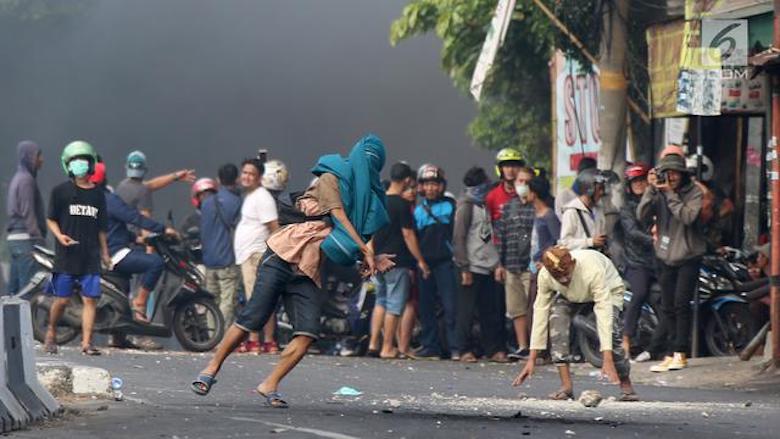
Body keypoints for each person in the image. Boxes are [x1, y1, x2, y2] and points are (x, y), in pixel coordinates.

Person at [191, 134, 394, 408]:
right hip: (283, 253)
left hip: (309, 268)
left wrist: (371, 256)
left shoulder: (366, 199)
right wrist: (365, 249)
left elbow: (350, 237)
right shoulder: (332, 177)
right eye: (366, 159)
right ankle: (211, 369)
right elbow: (337, 216)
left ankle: (270, 383)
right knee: (253, 318)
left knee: (308, 332)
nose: (368, 166)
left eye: (374, 163)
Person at [513, 246, 638, 402]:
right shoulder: (545, 275)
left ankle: (625, 384)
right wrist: (532, 358)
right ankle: (566, 387)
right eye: (559, 277)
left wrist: (607, 358)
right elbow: (540, 313)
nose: (564, 280)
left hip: (608, 289)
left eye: (566, 274)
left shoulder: (591, 270)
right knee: (556, 324)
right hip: (570, 295)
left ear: (573, 264)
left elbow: (604, 312)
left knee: (611, 331)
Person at [91, 162, 178, 348]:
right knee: (155, 263)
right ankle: (140, 303)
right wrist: (163, 229)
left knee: (122, 290)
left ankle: (118, 337)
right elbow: (133, 217)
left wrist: (137, 239)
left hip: (104, 252)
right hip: (116, 253)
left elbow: (112, 228)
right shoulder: (108, 199)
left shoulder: (92, 200)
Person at [638, 153, 705, 372]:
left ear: (683, 174)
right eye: (668, 173)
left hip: (688, 256)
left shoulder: (694, 192)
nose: (671, 177)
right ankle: (669, 353)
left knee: (681, 305)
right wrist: (650, 190)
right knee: (667, 307)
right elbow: (642, 215)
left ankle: (680, 352)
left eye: (675, 173)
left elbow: (688, 217)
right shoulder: (659, 191)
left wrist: (671, 195)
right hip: (665, 255)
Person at [44, 141, 111, 356]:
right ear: (68, 165)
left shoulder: (98, 194)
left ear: (91, 165)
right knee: (61, 300)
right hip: (65, 257)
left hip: (90, 256)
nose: (80, 165)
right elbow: (51, 219)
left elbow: (102, 228)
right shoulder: (60, 192)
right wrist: (59, 236)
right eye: (75, 161)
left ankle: (86, 342)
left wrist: (105, 253)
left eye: (84, 161)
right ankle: (51, 331)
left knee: (90, 300)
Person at [368, 162, 429, 359]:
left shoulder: (379, 202)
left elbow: (371, 234)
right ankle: (387, 348)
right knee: (394, 305)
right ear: (407, 181)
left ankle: (373, 344)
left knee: (381, 301)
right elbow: (408, 235)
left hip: (378, 260)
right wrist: (420, 260)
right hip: (397, 261)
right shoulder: (402, 205)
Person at [452, 167, 508, 363]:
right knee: (466, 311)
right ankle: (463, 349)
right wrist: (464, 267)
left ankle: (493, 349)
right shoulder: (466, 206)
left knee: (490, 311)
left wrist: (497, 263)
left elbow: (490, 236)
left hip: (488, 266)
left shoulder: (484, 206)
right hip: (471, 266)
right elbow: (458, 238)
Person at [233, 159, 280, 354]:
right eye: (244, 172)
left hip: (256, 254)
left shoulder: (262, 197)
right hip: (249, 254)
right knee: (260, 298)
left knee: (257, 300)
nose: (246, 176)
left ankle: (256, 341)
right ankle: (267, 341)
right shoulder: (251, 196)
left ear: (260, 177)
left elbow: (274, 227)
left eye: (251, 173)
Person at [413, 164, 459, 360]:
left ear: (441, 186)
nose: (431, 188)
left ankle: (455, 347)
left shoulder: (450, 205)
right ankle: (430, 346)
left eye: (435, 184)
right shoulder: (418, 210)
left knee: (451, 307)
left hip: (446, 263)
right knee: (426, 307)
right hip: (425, 265)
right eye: (427, 184)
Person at [494, 166, 536, 360]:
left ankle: (537, 347)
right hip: (511, 264)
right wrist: (499, 264)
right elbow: (500, 236)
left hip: (531, 265)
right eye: (521, 181)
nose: (523, 185)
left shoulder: (538, 206)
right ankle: (522, 346)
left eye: (527, 182)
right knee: (516, 307)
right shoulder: (508, 207)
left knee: (534, 307)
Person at [619, 163, 656, 361]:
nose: (640, 185)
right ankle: (626, 338)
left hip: (659, 259)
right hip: (637, 261)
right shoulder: (627, 209)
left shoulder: (656, 201)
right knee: (639, 293)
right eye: (635, 182)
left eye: (642, 180)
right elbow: (633, 232)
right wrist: (654, 241)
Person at [201, 165, 243, 333]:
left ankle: (212, 334)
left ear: (218, 180)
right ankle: (222, 336)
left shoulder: (207, 203)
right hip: (227, 258)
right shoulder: (238, 202)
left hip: (209, 259)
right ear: (237, 179)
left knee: (211, 300)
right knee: (227, 300)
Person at [5, 141, 46, 295]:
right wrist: (38, 239)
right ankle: (26, 320)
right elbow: (28, 212)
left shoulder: (18, 177)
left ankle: (9, 319)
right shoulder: (26, 180)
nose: (41, 160)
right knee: (28, 289)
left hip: (14, 239)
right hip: (25, 240)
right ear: (28, 157)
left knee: (14, 292)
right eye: (38, 156)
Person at [115, 150, 197, 219]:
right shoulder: (143, 189)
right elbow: (145, 222)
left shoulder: (121, 186)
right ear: (145, 170)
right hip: (134, 237)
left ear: (126, 168)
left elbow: (151, 185)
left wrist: (175, 176)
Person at [559, 168, 608, 252]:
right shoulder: (571, 211)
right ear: (589, 189)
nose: (602, 193)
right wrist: (590, 242)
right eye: (599, 189)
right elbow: (565, 243)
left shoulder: (599, 209)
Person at [397, 179, 420, 357]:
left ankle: (398, 345)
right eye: (408, 189)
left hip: (396, 262)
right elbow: (408, 235)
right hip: (407, 262)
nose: (412, 192)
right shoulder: (406, 209)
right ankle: (403, 346)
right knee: (408, 304)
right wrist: (420, 261)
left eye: (413, 188)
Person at [486, 148, 524, 222]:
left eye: (514, 166)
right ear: (500, 169)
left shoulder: (528, 194)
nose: (510, 170)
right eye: (506, 166)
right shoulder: (492, 196)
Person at [527, 176, 560, 264]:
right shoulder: (535, 213)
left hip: (545, 263)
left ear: (534, 194)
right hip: (535, 262)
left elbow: (556, 240)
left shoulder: (549, 215)